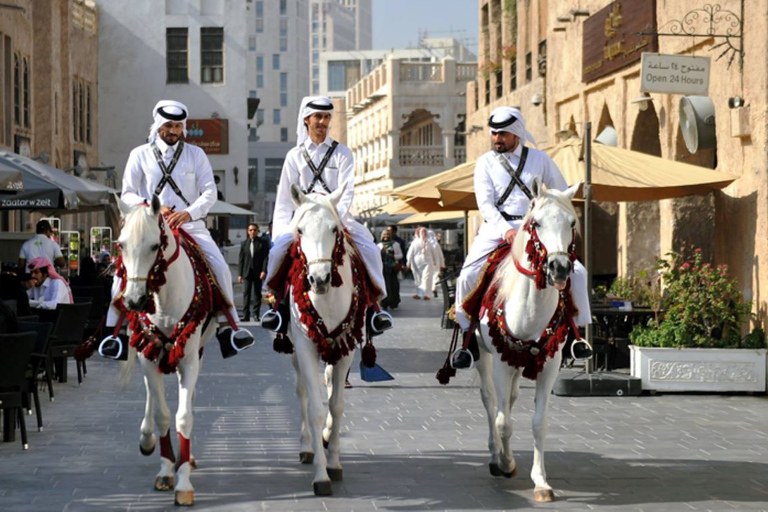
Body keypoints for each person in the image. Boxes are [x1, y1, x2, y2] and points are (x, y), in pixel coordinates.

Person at [99, 99, 254, 359]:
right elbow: (126, 193)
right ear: (159, 125)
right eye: (169, 125)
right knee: (121, 271)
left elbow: (209, 192)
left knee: (220, 266)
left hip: (190, 225)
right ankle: (114, 334)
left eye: (178, 126)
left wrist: (188, 213)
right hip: (150, 226)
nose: (173, 131)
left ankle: (229, 328)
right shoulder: (140, 154)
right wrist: (151, 207)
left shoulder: (196, 154)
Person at [451, 106, 591, 369]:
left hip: (537, 227)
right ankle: (467, 339)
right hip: (497, 227)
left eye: (502, 134)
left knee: (579, 273)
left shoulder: (540, 159)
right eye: (494, 133)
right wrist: (507, 229)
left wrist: (552, 216)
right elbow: (486, 205)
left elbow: (560, 194)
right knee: (467, 276)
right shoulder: (485, 163)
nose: (496, 139)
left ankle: (576, 336)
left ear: (516, 134)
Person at [261, 96, 393, 335]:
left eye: (326, 117)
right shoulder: (294, 156)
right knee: (277, 252)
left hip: (337, 219)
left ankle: (375, 309)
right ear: (306, 120)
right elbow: (283, 199)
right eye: (318, 117)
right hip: (304, 222)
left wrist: (336, 219)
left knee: (371, 250)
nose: (322, 122)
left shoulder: (342, 153)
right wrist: (281, 232)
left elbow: (347, 191)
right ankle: (278, 306)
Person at [238, 223, 268, 322]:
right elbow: (241, 259)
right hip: (247, 272)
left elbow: (265, 258)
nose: (252, 232)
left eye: (254, 230)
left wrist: (264, 270)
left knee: (257, 294)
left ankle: (256, 314)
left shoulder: (262, 243)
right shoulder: (244, 243)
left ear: (257, 231)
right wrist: (239, 274)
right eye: (250, 230)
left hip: (258, 272)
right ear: (248, 231)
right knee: (246, 294)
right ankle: (246, 315)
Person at [407, 227, 441, 300]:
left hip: (421, 263)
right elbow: (434, 254)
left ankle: (424, 294)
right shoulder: (427, 242)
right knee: (425, 278)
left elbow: (409, 254)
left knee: (423, 278)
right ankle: (424, 294)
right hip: (425, 262)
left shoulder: (415, 242)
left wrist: (408, 263)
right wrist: (435, 262)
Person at [377, 228, 403, 310]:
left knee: (394, 285)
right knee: (385, 286)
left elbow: (400, 255)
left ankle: (394, 302)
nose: (386, 236)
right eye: (384, 234)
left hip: (392, 269)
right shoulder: (379, 246)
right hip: (383, 269)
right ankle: (385, 302)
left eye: (387, 234)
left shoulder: (395, 244)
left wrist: (393, 256)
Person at [428, 230, 446, 298]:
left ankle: (429, 290)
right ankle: (434, 288)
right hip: (436, 262)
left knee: (430, 276)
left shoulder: (426, 244)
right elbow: (440, 255)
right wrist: (443, 264)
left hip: (429, 262)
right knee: (435, 276)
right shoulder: (436, 244)